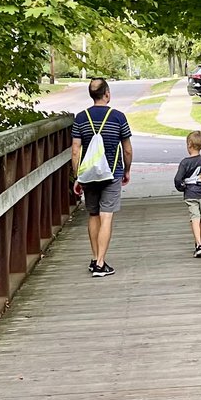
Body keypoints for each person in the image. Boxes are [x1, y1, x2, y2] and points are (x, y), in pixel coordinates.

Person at [71, 78, 132, 277]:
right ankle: (100, 263)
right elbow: (128, 149)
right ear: (107, 94)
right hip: (112, 173)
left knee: (94, 214)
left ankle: (95, 256)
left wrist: (77, 176)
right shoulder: (118, 117)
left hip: (88, 174)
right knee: (107, 216)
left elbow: (75, 150)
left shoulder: (81, 118)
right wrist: (126, 170)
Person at [173, 130, 201, 257]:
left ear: (189, 144)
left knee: (194, 218)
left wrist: (181, 188)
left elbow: (177, 179)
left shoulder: (185, 162)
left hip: (191, 194)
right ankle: (199, 243)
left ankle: (199, 244)